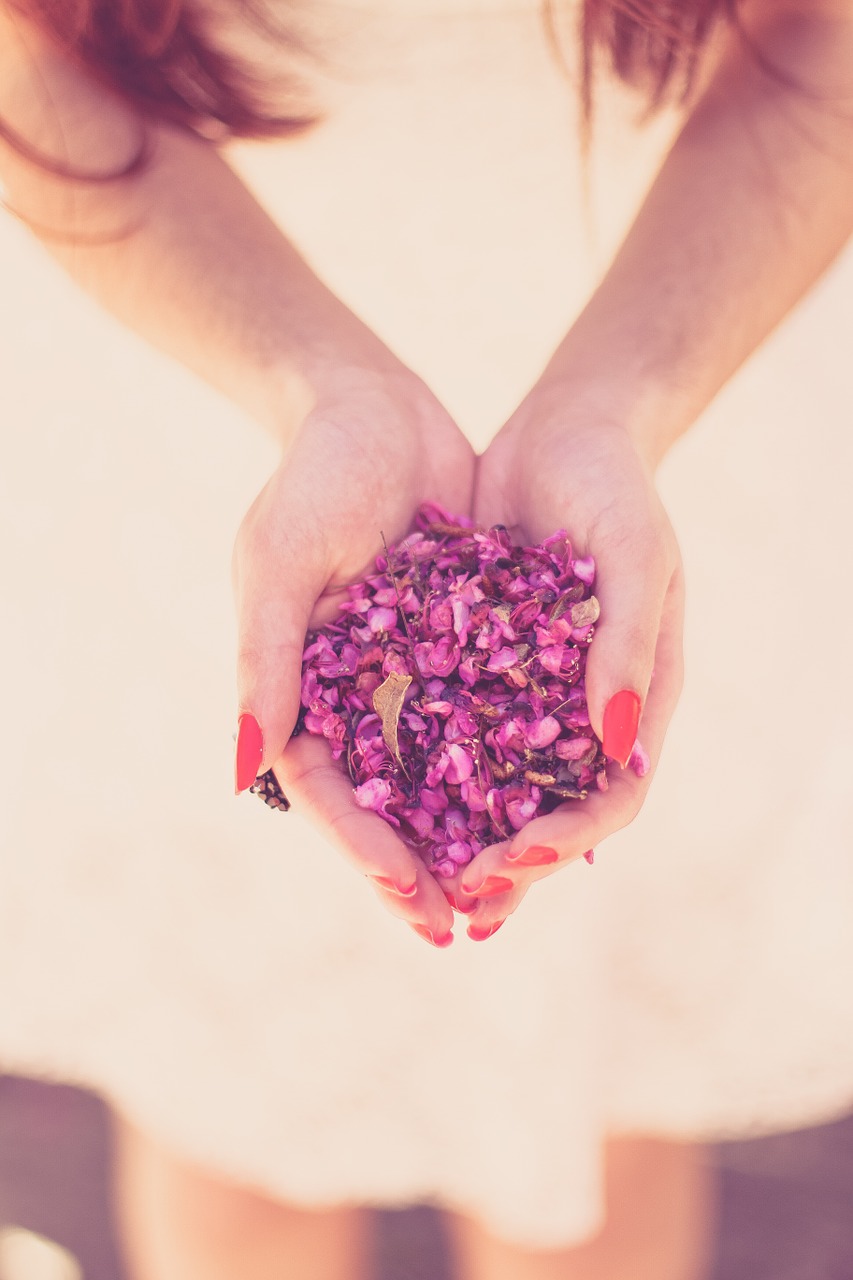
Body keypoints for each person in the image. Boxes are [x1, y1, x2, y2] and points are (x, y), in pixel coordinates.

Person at [1, 0, 853, 1277]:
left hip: (675, 296)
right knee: (235, 1107)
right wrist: (312, 385)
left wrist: (618, 397)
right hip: (193, 319)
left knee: (592, 1124)